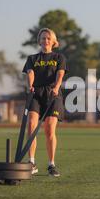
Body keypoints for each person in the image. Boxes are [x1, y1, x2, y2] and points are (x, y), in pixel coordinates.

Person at [22, 28, 67, 177]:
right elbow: (30, 72)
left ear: (53, 41)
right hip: (36, 93)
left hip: (53, 94)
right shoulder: (32, 58)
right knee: (31, 125)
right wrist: (30, 86)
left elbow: (60, 73)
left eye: (48, 38)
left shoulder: (59, 57)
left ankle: (51, 164)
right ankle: (32, 162)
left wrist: (56, 86)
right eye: (43, 38)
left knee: (49, 129)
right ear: (39, 41)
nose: (45, 41)